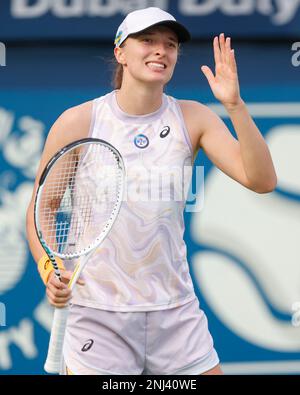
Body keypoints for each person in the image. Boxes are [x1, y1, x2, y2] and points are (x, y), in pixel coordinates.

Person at [26, 7, 277, 375]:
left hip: (175, 313)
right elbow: (42, 208)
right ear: (120, 53)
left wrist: (234, 106)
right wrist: (49, 268)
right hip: (97, 314)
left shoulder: (193, 117)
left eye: (170, 44)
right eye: (147, 41)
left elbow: (262, 181)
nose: (161, 50)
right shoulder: (78, 121)